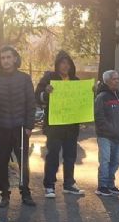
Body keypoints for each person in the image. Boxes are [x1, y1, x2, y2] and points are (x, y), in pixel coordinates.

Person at [0, 46, 37, 208]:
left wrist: (29, 126)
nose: (6, 61)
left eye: (8, 57)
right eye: (2, 58)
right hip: (1, 129)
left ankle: (25, 193)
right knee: (1, 163)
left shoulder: (24, 78)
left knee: (23, 163)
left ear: (15, 59)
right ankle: (4, 195)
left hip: (20, 129)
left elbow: (31, 103)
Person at [36, 51, 84, 198]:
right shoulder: (49, 78)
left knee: (70, 156)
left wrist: (91, 92)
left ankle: (69, 184)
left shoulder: (75, 81)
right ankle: (49, 186)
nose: (65, 66)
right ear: (57, 65)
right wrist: (46, 93)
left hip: (71, 125)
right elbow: (37, 96)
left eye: (68, 63)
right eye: (62, 63)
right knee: (52, 156)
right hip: (55, 126)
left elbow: (82, 101)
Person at [94, 70, 119, 196]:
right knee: (105, 160)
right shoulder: (101, 97)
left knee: (116, 162)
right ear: (107, 81)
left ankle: (110, 184)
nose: (117, 81)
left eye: (118, 78)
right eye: (114, 79)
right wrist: (110, 130)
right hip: (105, 136)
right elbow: (99, 117)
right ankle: (102, 186)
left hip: (118, 137)